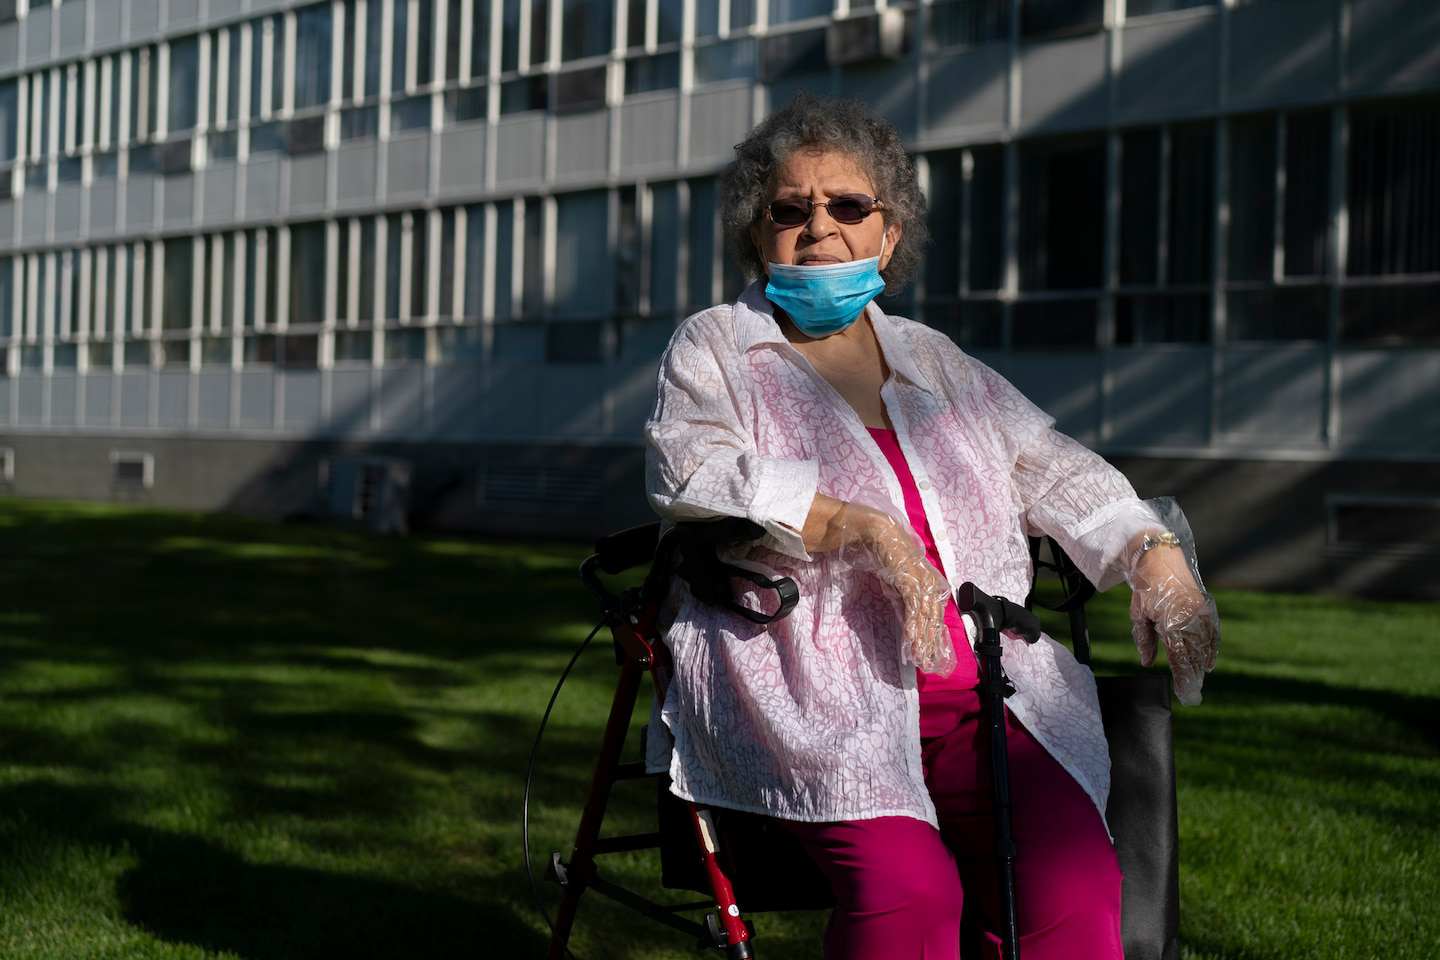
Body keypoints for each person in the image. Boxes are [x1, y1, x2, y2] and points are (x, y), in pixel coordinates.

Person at [643, 92, 1220, 960]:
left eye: (849, 205)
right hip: (813, 689)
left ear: (889, 235)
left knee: (1074, 891)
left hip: (982, 689)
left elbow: (1055, 467)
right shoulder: (717, 346)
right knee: (910, 897)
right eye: (790, 210)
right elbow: (690, 468)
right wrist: (859, 526)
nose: (819, 227)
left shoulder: (936, 360)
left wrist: (1155, 554)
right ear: (758, 235)